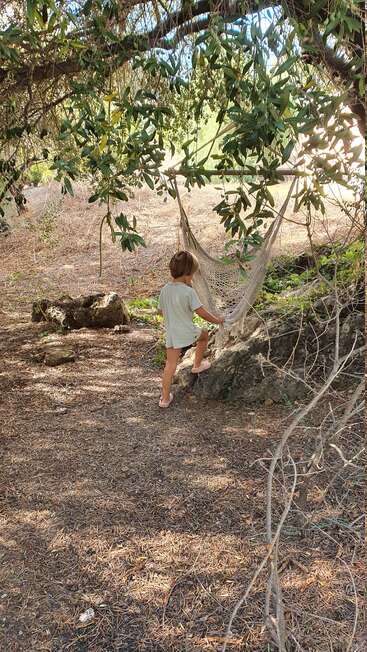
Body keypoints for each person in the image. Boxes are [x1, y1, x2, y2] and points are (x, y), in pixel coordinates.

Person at [158, 250, 224, 408]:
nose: (192, 278)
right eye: (192, 275)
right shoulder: (189, 292)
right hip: (187, 331)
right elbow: (201, 313)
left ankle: (165, 399)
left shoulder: (165, 290)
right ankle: (197, 365)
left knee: (170, 365)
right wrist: (217, 320)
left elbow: (160, 311)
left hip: (172, 333)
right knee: (204, 335)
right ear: (187, 275)